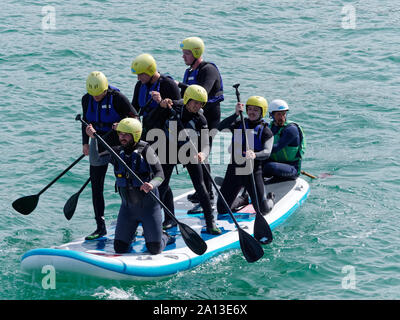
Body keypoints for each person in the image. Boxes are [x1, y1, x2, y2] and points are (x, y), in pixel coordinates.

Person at [85, 118, 173, 254]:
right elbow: (95, 160)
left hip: (149, 210)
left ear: (135, 135)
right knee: (119, 248)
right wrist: (93, 139)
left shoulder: (146, 150)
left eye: (126, 134)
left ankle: (164, 236)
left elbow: (160, 174)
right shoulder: (116, 152)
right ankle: (130, 234)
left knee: (154, 249)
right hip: (128, 210)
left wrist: (151, 184)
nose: (122, 137)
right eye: (120, 134)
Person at [157, 84, 221, 235]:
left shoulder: (201, 119)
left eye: (201, 103)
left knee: (201, 186)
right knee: (162, 185)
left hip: (189, 152)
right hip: (169, 150)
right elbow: (153, 118)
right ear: (187, 99)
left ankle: (210, 221)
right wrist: (161, 104)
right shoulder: (173, 106)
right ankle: (157, 219)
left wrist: (203, 154)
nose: (197, 106)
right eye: (195, 102)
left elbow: (206, 144)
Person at [82, 71, 137, 240]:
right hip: (97, 142)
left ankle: (132, 225)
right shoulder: (86, 99)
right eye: (93, 94)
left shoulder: (118, 98)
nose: (96, 97)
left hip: (117, 142)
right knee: (96, 186)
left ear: (105, 89)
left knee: (125, 183)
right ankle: (100, 227)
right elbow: (86, 120)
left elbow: (135, 118)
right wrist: (85, 141)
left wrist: (121, 126)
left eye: (99, 94)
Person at [130, 53, 181, 223]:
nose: (139, 77)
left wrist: (164, 103)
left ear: (150, 71)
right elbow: (134, 108)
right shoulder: (140, 85)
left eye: (141, 74)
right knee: (155, 177)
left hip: (168, 139)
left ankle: (155, 218)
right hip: (148, 138)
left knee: (162, 180)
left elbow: (181, 108)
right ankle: (170, 217)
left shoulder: (167, 84)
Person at [177, 37, 224, 206]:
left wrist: (179, 85)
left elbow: (202, 93)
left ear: (196, 53)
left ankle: (209, 195)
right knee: (192, 155)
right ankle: (200, 191)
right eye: (183, 53)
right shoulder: (190, 71)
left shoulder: (208, 70)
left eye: (187, 53)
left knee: (202, 156)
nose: (184, 57)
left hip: (209, 117)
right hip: (194, 117)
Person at [217, 96, 275, 216]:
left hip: (253, 173)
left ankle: (271, 198)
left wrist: (255, 154)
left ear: (262, 112)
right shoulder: (238, 123)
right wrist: (235, 114)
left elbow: (267, 152)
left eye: (255, 110)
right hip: (234, 170)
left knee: (263, 210)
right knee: (222, 209)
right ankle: (242, 200)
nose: (251, 112)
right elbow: (220, 127)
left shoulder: (265, 131)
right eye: (249, 109)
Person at [263, 99, 306, 181]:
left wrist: (254, 152)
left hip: (292, 168)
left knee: (269, 167)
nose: (282, 117)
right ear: (271, 115)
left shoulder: (291, 130)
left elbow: (276, 148)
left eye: (284, 114)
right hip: (275, 163)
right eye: (279, 114)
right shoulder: (269, 127)